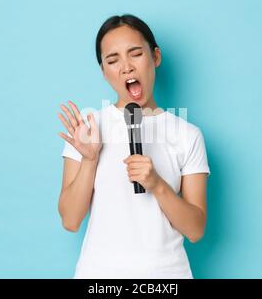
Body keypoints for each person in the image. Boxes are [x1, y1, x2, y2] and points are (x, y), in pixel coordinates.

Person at [57, 14, 211, 278]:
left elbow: (195, 230)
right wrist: (90, 159)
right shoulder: (88, 129)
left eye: (135, 54)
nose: (126, 67)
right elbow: (70, 221)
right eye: (113, 60)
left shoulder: (187, 134)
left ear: (156, 57)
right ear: (104, 72)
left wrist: (157, 184)